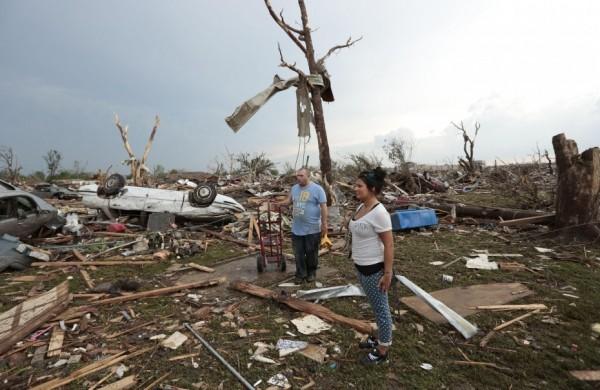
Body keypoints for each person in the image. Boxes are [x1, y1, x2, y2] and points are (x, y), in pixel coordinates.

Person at [349, 167, 394, 365]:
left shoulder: (380, 213)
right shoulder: (361, 207)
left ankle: (383, 350)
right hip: (360, 266)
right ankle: (377, 338)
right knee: (376, 308)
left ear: (372, 189)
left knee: (382, 310)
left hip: (374, 269)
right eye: (355, 185)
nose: (355, 189)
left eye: (359, 186)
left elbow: (389, 244)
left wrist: (387, 273)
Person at [279, 168, 328, 284]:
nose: (298, 178)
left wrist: (324, 223)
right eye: (297, 176)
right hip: (297, 228)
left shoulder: (317, 189)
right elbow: (288, 201)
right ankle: (300, 274)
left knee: (311, 253)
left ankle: (311, 273)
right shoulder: (294, 188)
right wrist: (278, 204)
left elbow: (324, 207)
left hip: (312, 228)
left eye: (301, 175)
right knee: (298, 253)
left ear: (308, 176)